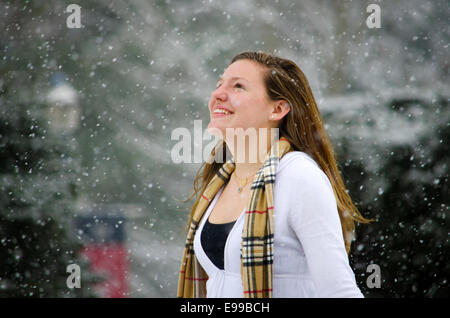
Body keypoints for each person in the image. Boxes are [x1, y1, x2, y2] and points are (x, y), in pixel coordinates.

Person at [177, 50, 372, 298]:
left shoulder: (299, 177)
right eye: (219, 84)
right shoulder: (220, 182)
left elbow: (339, 291)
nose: (218, 94)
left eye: (238, 87)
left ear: (278, 109)